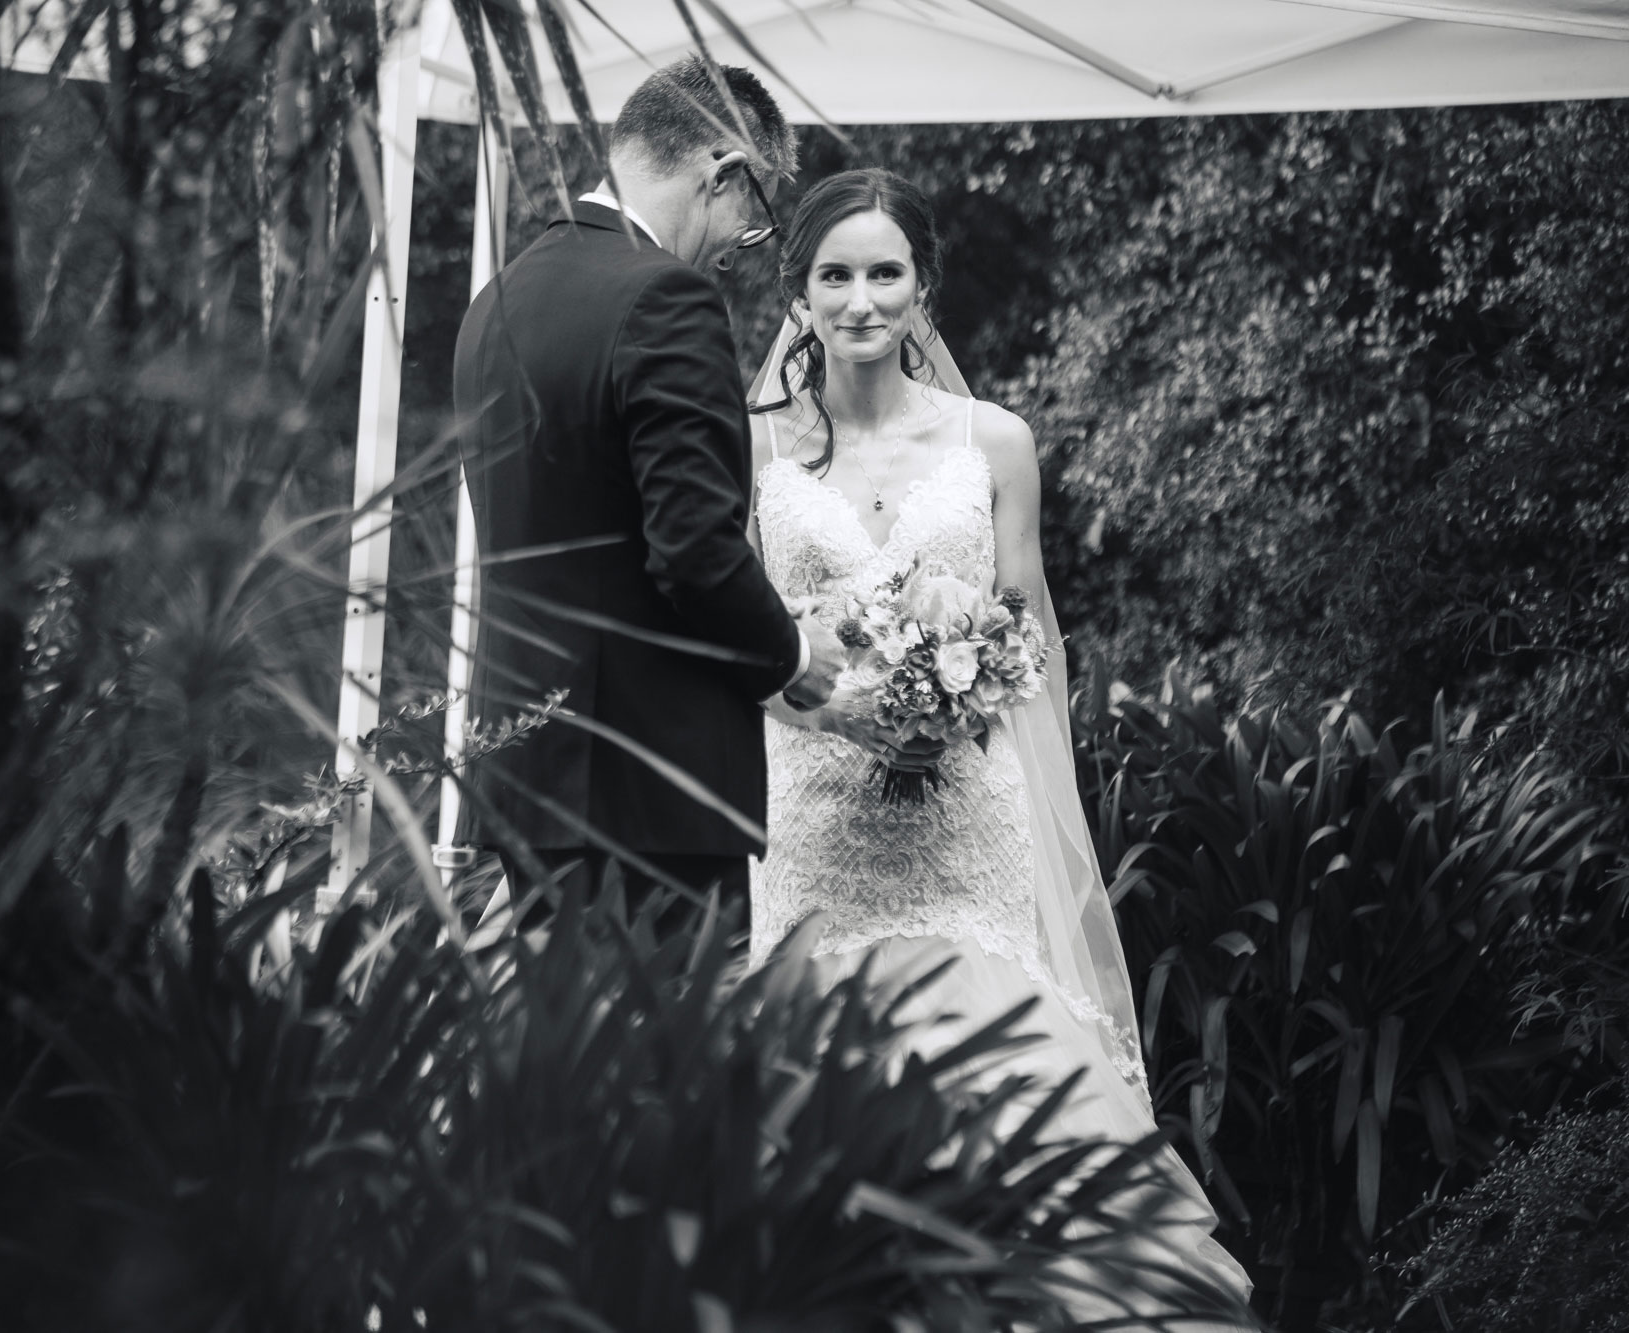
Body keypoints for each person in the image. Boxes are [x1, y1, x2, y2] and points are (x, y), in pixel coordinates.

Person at [745, 167, 1255, 1319]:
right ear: (801, 291)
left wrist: (972, 709)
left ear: (923, 284)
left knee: (1021, 1124)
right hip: (812, 840)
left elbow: (1026, 627)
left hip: (962, 837)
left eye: (884, 272)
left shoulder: (995, 442)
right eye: (835, 274)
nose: (860, 299)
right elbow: (733, 645)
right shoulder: (754, 451)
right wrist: (815, 704)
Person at [451, 57, 845, 935]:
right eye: (754, 219)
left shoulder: (501, 294)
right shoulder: (666, 297)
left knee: (572, 1066)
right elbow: (695, 553)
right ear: (722, 171)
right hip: (645, 787)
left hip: (526, 771)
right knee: (667, 1065)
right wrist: (790, 651)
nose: (741, 249)